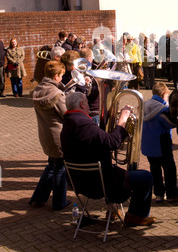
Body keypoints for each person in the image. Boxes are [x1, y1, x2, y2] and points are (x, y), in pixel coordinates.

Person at [60, 92, 155, 227]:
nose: (89, 106)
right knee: (146, 177)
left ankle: (114, 210)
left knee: (122, 173)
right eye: (87, 102)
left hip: (79, 182)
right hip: (100, 184)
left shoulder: (69, 123)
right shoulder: (84, 125)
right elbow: (114, 142)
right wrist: (123, 119)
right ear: (82, 104)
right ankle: (136, 216)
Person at [29, 61, 70, 210]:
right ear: (56, 76)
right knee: (60, 168)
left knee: (51, 166)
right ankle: (59, 202)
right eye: (61, 76)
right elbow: (66, 114)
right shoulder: (57, 94)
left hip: (45, 134)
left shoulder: (38, 89)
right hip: (58, 135)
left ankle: (39, 197)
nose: (62, 79)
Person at [141, 82, 178, 202]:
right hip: (161, 141)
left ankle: (159, 194)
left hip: (148, 142)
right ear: (163, 94)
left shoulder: (145, 105)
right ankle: (172, 193)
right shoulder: (162, 109)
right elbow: (170, 123)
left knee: (154, 169)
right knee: (169, 168)